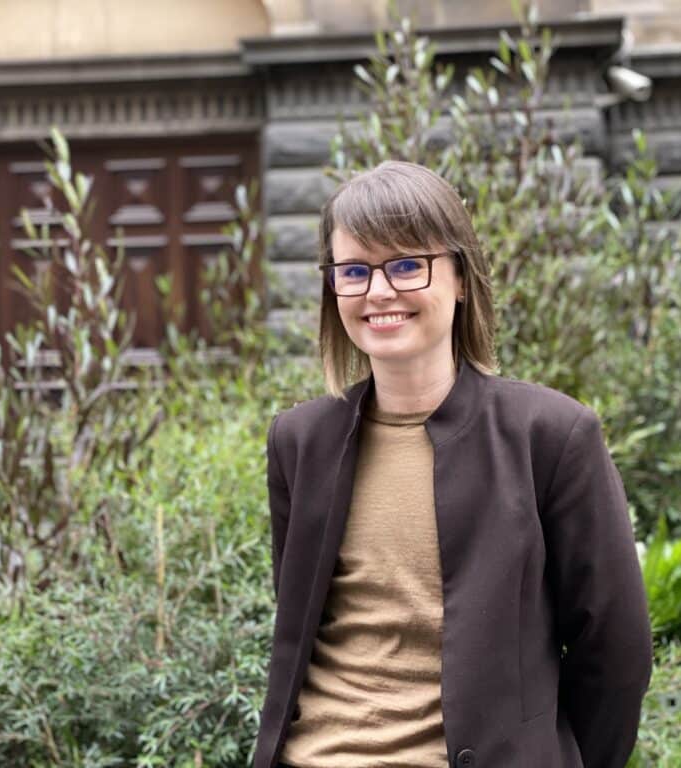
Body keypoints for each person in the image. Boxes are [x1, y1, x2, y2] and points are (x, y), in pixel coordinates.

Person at [252, 160, 652, 768]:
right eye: (353, 271)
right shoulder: (299, 440)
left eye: (407, 264)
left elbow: (616, 652)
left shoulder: (551, 436)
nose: (378, 291)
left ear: (461, 277)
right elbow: (299, 627)